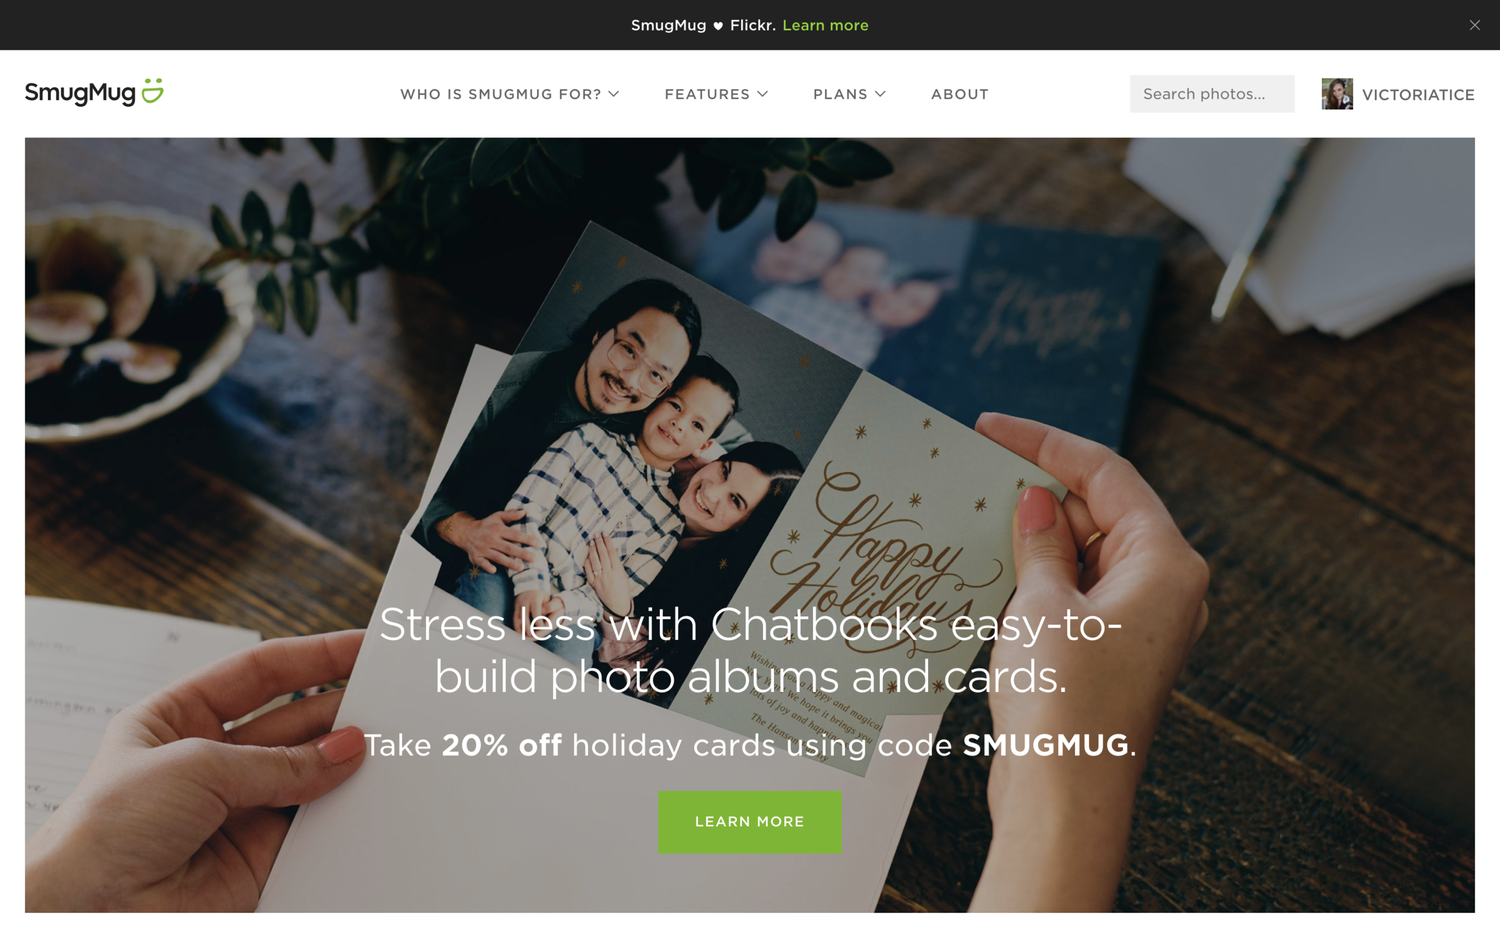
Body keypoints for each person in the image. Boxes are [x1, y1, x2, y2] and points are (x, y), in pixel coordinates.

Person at [25, 413, 1208, 912]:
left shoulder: (702, 576)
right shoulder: (617, 491)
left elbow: (661, 704)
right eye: (709, 463)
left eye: (731, 490)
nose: (703, 479)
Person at [416, 279, 703, 592]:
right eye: (629, 350)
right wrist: (465, 530)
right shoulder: (505, 385)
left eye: (657, 374)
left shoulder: (647, 433)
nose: (631, 380)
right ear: (600, 331)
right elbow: (420, 482)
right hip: (446, 570)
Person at [459, 356, 740, 665]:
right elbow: (525, 508)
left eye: (697, 425)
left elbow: (621, 591)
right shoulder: (587, 438)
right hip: (514, 566)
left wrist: (563, 607)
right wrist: (531, 584)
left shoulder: (669, 522)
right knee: (482, 606)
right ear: (657, 399)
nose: (679, 423)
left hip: (573, 614)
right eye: (676, 405)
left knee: (570, 657)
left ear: (704, 445)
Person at [590, 440, 805, 702]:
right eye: (724, 471)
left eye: (735, 500)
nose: (712, 492)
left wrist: (619, 612)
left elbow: (656, 686)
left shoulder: (717, 591)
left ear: (746, 526)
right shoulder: (670, 467)